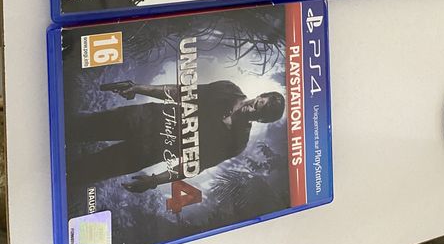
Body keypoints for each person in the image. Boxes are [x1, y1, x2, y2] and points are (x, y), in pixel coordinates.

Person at [67, 80, 285, 192]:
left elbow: (193, 166)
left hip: (147, 152)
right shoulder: (228, 89)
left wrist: (154, 181)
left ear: (261, 120)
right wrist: (138, 88)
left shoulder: (237, 142)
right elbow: (179, 92)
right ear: (261, 95)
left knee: (82, 172)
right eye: (259, 103)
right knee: (77, 127)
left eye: (258, 113)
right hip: (141, 118)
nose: (252, 109)